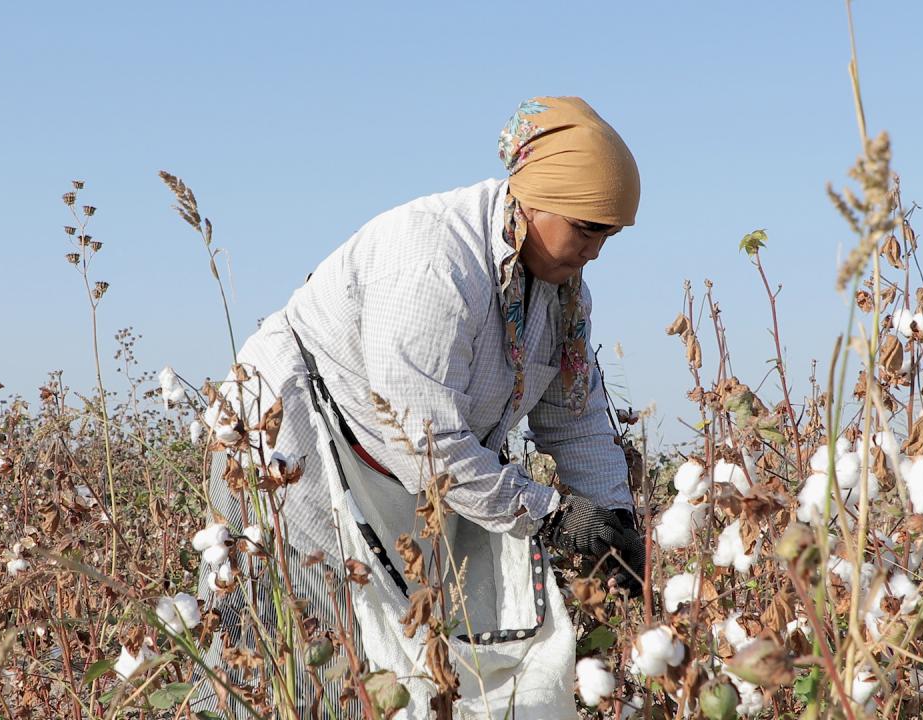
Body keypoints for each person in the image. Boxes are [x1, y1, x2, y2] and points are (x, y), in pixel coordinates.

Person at [191, 96, 645, 719]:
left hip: (389, 473)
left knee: (398, 663)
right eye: (588, 229)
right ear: (535, 200)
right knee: (290, 653)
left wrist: (614, 523)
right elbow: (425, 443)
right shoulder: (433, 262)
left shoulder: (564, 297)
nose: (596, 251)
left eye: (608, 235)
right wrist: (550, 515)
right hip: (289, 444)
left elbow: (578, 417)